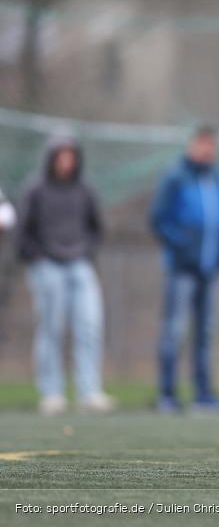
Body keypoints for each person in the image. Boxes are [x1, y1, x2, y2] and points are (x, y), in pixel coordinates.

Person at [17, 135, 113, 416]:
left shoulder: (85, 190)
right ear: (51, 158)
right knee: (51, 328)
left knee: (90, 326)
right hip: (46, 265)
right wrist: (36, 257)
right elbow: (23, 231)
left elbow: (97, 228)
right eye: (61, 156)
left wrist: (87, 252)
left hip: (79, 264)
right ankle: (52, 392)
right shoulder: (35, 189)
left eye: (70, 156)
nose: (66, 162)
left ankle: (89, 390)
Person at [149, 125, 219, 414]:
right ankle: (167, 394)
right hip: (182, 269)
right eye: (203, 144)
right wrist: (182, 247)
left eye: (212, 145)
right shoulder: (176, 177)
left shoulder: (218, 179)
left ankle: (203, 394)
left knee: (206, 334)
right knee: (175, 330)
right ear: (192, 145)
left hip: (210, 270)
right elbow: (158, 219)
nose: (207, 150)